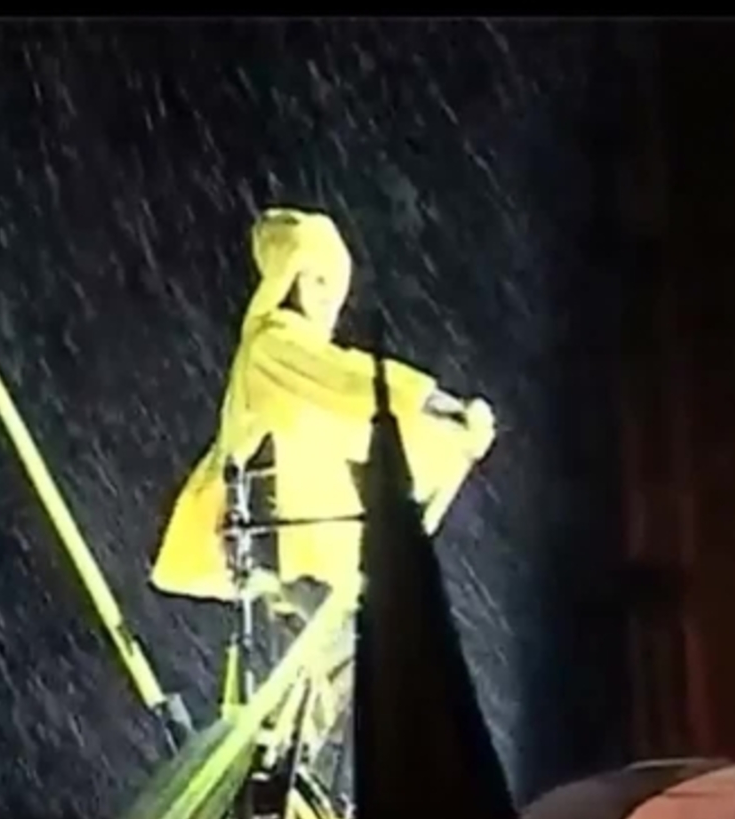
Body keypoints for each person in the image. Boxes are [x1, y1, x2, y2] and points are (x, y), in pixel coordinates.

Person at [150, 207, 496, 773]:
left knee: (345, 646)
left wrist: (446, 437)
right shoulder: (275, 347)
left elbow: (361, 423)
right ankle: (284, 750)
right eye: (316, 280)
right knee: (351, 638)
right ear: (289, 279)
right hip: (281, 541)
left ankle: (292, 753)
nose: (328, 296)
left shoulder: (294, 360)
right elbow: (351, 382)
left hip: (305, 547)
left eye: (333, 285)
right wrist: (442, 406)